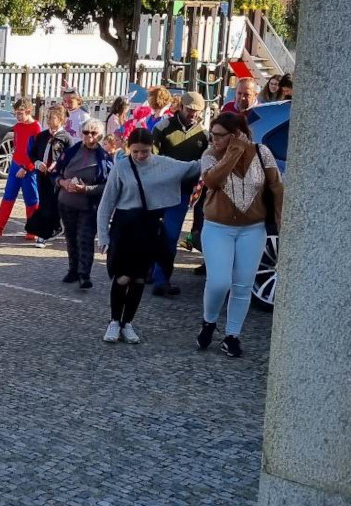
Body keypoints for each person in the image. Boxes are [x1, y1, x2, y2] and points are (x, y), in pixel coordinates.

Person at [96, 127, 202, 343]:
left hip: (148, 226)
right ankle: (114, 321)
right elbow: (106, 202)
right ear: (128, 149)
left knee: (139, 278)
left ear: (151, 149)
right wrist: (103, 235)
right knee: (122, 276)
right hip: (124, 226)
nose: (140, 156)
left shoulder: (162, 163)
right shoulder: (122, 166)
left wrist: (216, 154)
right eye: (135, 151)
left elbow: (192, 168)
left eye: (144, 151)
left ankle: (128, 323)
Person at [196, 112, 283, 358]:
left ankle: (232, 335)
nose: (213, 140)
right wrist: (232, 152)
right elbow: (212, 181)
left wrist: (279, 216)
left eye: (219, 136)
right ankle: (209, 321)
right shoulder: (210, 155)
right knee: (219, 282)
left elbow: (276, 185)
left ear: (235, 135)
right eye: (211, 135)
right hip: (217, 227)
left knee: (243, 284)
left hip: (252, 228)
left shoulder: (261, 151)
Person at [149, 91, 208, 296]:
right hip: (158, 189)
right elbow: (151, 158)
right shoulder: (163, 127)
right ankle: (149, 271)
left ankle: (162, 279)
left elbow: (204, 164)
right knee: (152, 232)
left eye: (197, 111)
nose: (193, 114)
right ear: (181, 106)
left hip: (181, 193)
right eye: (190, 109)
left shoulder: (203, 135)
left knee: (171, 236)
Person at [53, 119, 112, 290]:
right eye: (86, 132)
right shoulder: (71, 152)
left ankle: (84, 274)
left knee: (85, 239)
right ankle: (73, 270)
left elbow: (108, 186)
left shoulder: (105, 158)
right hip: (66, 203)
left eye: (93, 133)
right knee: (71, 237)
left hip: (88, 206)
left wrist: (86, 189)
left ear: (100, 135)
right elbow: (55, 173)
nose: (89, 137)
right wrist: (62, 183)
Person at [0, 98, 42, 239]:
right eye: (16, 113)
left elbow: (37, 152)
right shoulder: (18, 126)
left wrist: (27, 167)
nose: (17, 116)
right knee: (8, 196)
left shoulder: (36, 128)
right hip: (16, 165)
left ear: (28, 111)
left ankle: (32, 230)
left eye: (20, 113)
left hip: (29, 168)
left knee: (31, 199)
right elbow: (17, 147)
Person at [24, 105, 74, 244]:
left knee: (52, 203)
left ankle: (48, 232)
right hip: (42, 174)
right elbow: (32, 153)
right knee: (44, 201)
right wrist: (38, 163)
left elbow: (69, 157)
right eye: (47, 117)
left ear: (61, 120)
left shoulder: (66, 138)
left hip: (56, 176)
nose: (49, 120)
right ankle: (47, 230)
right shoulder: (42, 136)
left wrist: (58, 165)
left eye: (52, 118)